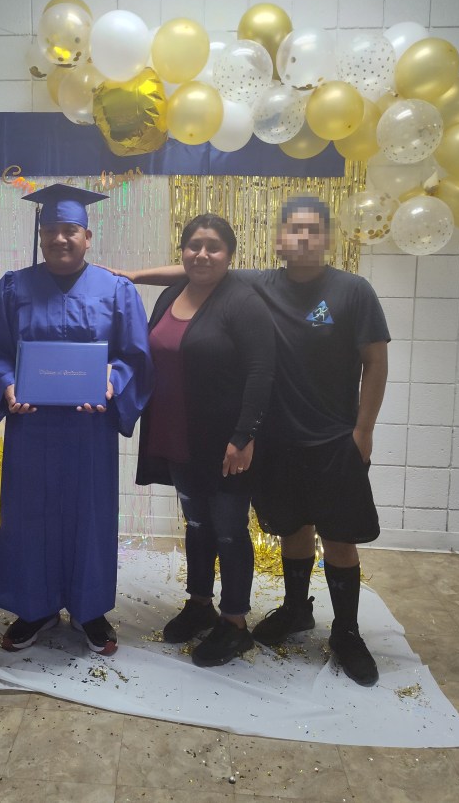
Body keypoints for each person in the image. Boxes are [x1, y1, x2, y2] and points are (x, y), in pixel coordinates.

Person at [119, 196, 389, 686]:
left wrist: (363, 430)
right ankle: (294, 610)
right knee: (293, 529)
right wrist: (133, 276)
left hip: (334, 437)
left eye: (313, 231)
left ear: (327, 238)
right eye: (294, 230)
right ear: (280, 239)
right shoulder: (259, 282)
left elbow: (376, 361)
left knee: (339, 538)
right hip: (279, 437)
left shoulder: (353, 291)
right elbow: (192, 268)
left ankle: (347, 632)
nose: (303, 239)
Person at [0, 184, 153, 656]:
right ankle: (35, 607)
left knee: (89, 516)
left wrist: (113, 383)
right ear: (41, 235)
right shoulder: (14, 286)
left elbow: (135, 355)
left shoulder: (117, 290)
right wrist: (6, 384)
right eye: (50, 230)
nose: (59, 239)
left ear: (87, 236)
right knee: (31, 515)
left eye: (69, 230)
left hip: (88, 430)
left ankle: (90, 609)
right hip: (32, 429)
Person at [137, 214, 275, 667]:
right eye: (194, 245)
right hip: (179, 436)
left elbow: (261, 371)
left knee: (231, 531)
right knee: (197, 525)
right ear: (182, 251)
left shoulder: (242, 301)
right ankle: (200, 603)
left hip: (225, 444)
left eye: (213, 246)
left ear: (229, 254)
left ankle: (235, 623)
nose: (202, 254)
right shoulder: (172, 294)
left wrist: (244, 436)